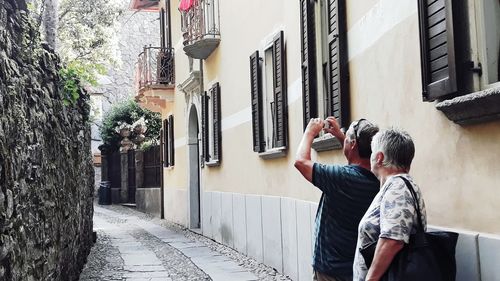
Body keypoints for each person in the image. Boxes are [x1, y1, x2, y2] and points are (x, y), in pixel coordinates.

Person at [295, 117, 380, 281]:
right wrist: (343, 137)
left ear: (353, 144)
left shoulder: (343, 178)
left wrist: (309, 132)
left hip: (332, 269)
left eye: (348, 139)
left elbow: (301, 162)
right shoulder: (377, 178)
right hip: (357, 266)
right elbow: (356, 162)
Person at [353, 129, 427, 281]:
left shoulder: (398, 186)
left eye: (373, 152)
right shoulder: (395, 185)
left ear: (379, 157)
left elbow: (393, 240)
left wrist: (370, 279)